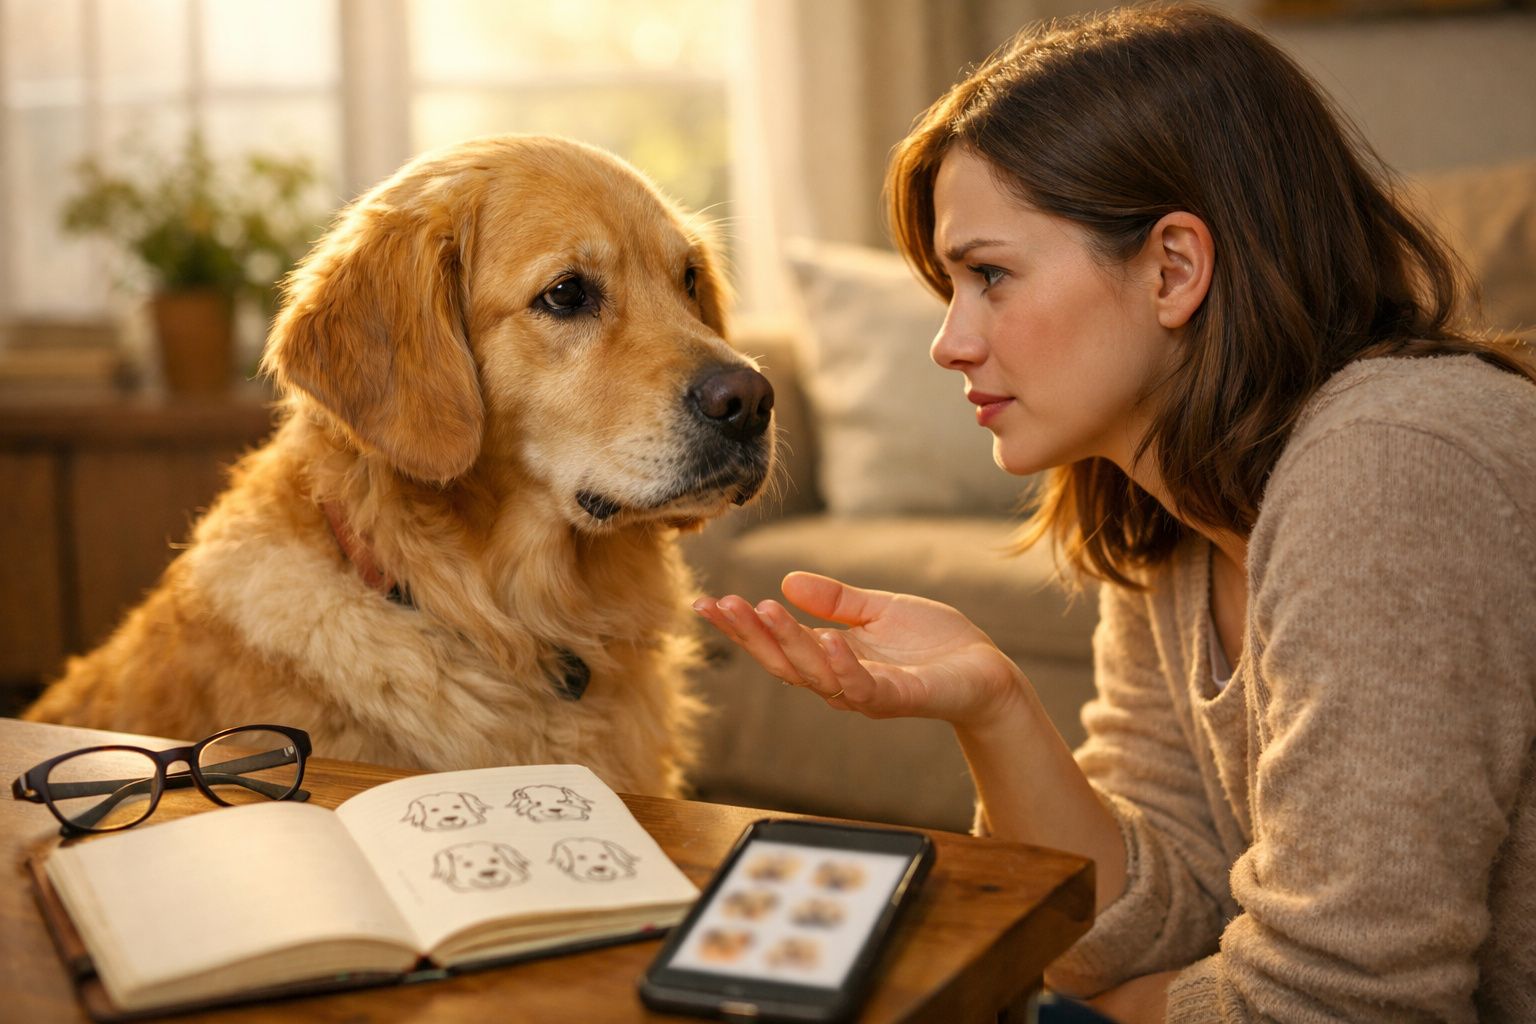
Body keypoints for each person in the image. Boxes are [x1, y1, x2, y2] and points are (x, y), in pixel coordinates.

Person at [692, 5, 1536, 1023]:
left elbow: (1344, 1003)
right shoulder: (1171, 503)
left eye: (989, 275)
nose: (949, 342)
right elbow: (1125, 925)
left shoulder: (1394, 461)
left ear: (1174, 268)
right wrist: (991, 703)